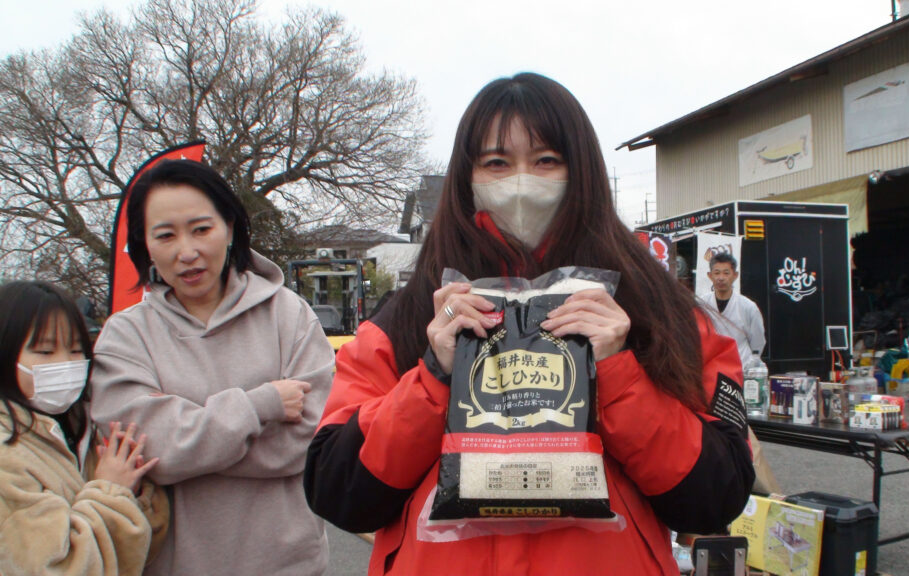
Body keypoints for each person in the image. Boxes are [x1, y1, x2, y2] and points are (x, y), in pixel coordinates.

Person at [304, 72, 754, 575]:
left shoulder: (661, 310)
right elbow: (337, 491)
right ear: (466, 177)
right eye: (497, 163)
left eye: (546, 160)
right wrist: (431, 379)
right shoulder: (409, 318)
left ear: (581, 170)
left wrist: (621, 376)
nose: (521, 181)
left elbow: (718, 497)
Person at [89, 160, 335, 575]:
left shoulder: (289, 315)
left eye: (201, 229)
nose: (187, 252)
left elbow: (311, 440)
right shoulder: (126, 335)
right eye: (165, 235)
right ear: (144, 244)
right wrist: (258, 407)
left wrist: (185, 445)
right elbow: (144, 449)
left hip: (288, 562)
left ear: (230, 227)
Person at [0, 280, 165, 575]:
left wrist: (137, 491)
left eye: (76, 350)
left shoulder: (84, 429)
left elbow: (140, 553)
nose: (65, 364)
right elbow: (57, 567)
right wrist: (112, 491)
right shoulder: (7, 455)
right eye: (45, 351)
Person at [700, 252, 766, 370]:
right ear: (710, 275)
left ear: (735, 275)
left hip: (741, 366)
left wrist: (750, 363)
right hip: (711, 366)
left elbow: (758, 342)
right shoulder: (701, 304)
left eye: (726, 273)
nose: (721, 278)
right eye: (717, 273)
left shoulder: (748, 307)